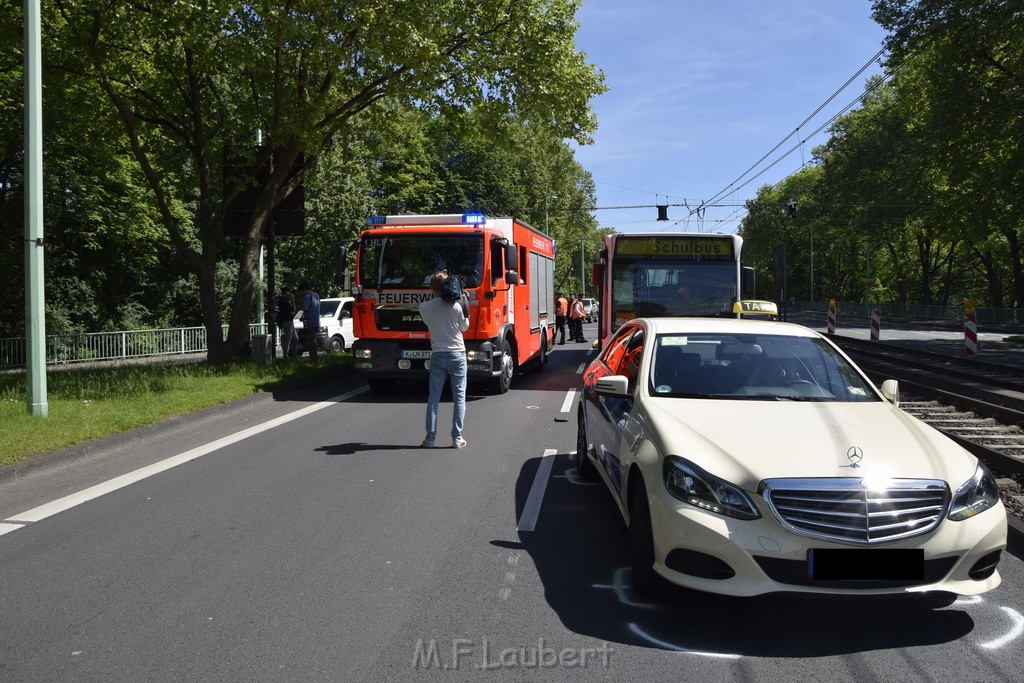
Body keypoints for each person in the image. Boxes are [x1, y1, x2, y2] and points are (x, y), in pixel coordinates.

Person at [419, 271, 470, 449]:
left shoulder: (424, 307)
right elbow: (464, 328)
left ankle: (430, 438)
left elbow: (430, 323)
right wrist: (464, 302)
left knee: (433, 397)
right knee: (459, 398)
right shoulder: (456, 306)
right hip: (457, 355)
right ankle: (457, 438)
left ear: (432, 287)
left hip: (438, 355)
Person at [298, 282, 321, 362]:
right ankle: (314, 358)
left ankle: (313, 359)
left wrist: (297, 308)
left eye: (302, 292)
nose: (302, 294)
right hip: (316, 321)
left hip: (310, 321)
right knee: (313, 339)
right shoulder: (316, 295)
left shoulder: (308, 296)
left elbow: (305, 307)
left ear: (304, 289)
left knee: (311, 341)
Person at [276, 286, 298, 357]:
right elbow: (294, 309)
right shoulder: (283, 301)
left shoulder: (283, 301)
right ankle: (286, 355)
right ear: (287, 292)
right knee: (288, 339)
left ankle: (294, 354)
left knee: (296, 338)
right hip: (287, 322)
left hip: (289, 321)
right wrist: (292, 300)